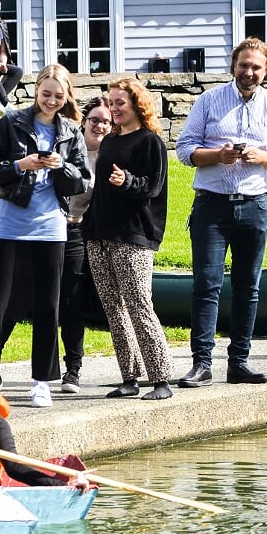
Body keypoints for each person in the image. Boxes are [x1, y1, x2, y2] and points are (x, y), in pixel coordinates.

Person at [175, 37, 267, 387]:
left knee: (248, 287)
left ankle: (239, 362)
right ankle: (201, 363)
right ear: (234, 66)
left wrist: (263, 158)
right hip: (212, 205)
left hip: (255, 206)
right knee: (206, 285)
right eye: (244, 65)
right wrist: (217, 156)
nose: (249, 72)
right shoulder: (209, 100)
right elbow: (184, 150)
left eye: (256, 67)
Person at [0, 64, 88, 408]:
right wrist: (21, 165)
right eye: (45, 93)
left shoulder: (70, 130)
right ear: (36, 90)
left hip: (52, 228)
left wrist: (60, 167)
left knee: (47, 306)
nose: (51, 100)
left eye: (58, 95)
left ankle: (41, 380)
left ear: (66, 97)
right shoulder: (13, 122)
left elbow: (82, 178)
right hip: (11, 225)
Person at [84, 78, 174, 401]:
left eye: (120, 102)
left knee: (138, 305)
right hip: (99, 235)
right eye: (111, 102)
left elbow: (152, 188)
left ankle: (161, 377)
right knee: (113, 308)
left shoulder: (150, 142)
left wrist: (127, 181)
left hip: (133, 237)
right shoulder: (108, 142)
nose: (113, 108)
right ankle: (130, 376)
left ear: (137, 104)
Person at [58, 95, 112, 394]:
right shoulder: (67, 145)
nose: (100, 126)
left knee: (73, 299)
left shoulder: (110, 155)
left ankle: (73, 369)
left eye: (106, 121)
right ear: (84, 120)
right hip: (49, 227)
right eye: (95, 120)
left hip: (78, 231)